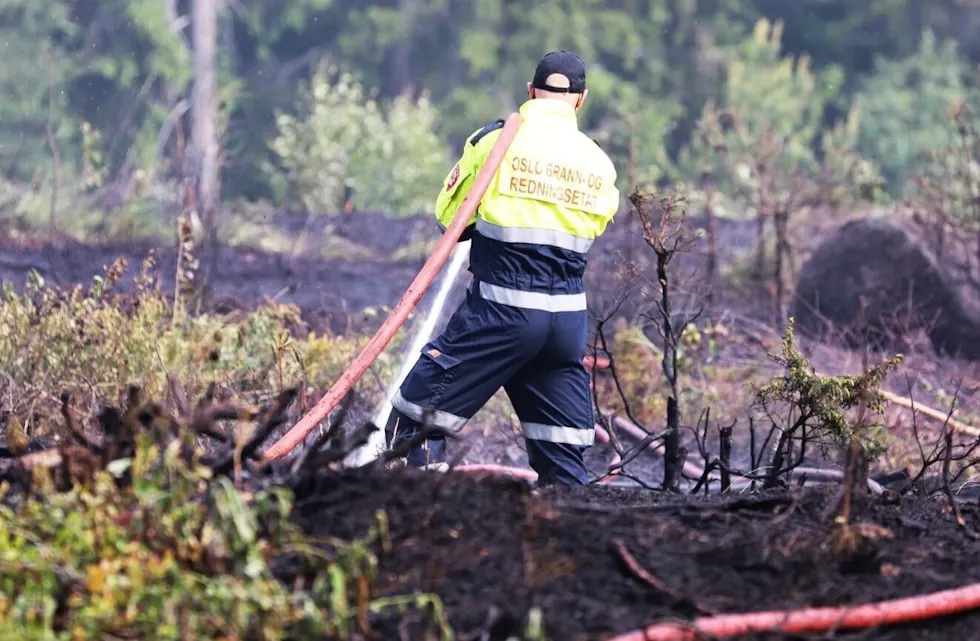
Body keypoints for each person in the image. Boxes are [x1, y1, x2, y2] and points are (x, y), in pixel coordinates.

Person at [384, 50, 621, 485]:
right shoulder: (598, 162)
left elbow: (451, 218)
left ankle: (421, 518)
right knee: (562, 453)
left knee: (412, 424)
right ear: (581, 99)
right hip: (566, 323)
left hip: (501, 311)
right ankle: (568, 524)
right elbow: (595, 223)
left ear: (530, 92)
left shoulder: (494, 142)